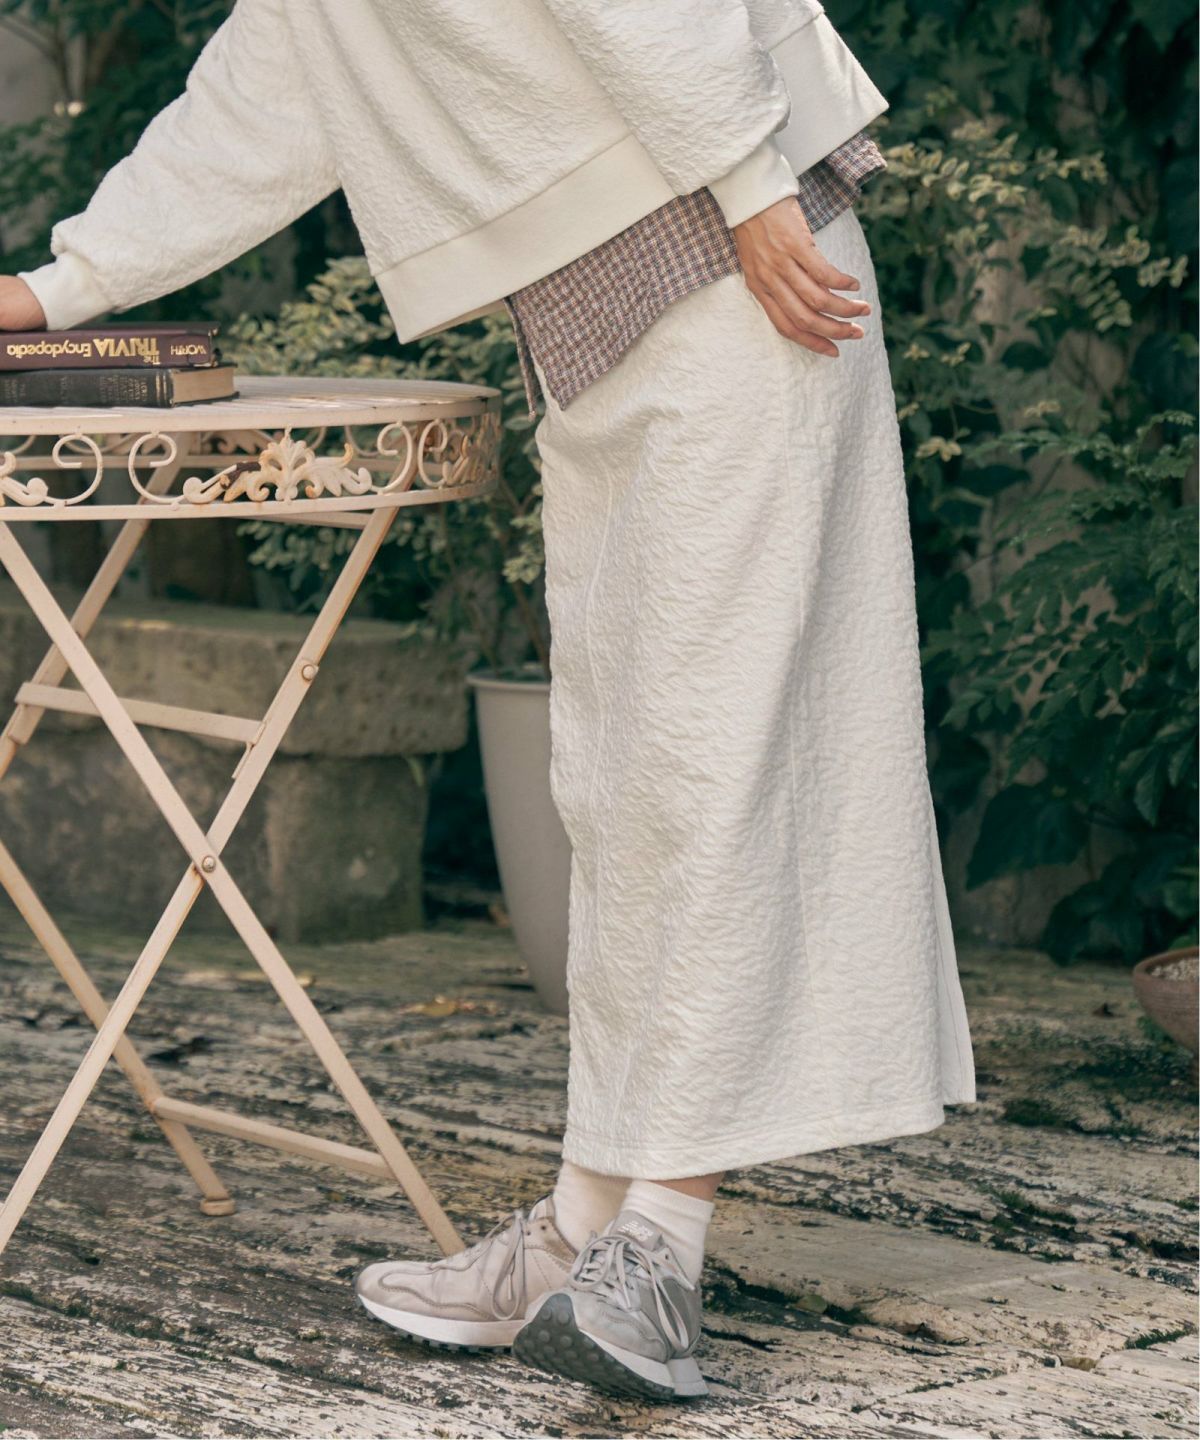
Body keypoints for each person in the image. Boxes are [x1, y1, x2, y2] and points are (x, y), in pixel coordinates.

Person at [0, 0, 976, 1402]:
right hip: (606, 327)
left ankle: (660, 1253)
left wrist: (755, 186)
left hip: (743, 271)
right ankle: (585, 1224)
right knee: (623, 788)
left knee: (713, 768)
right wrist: (58, 289)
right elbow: (269, 97)